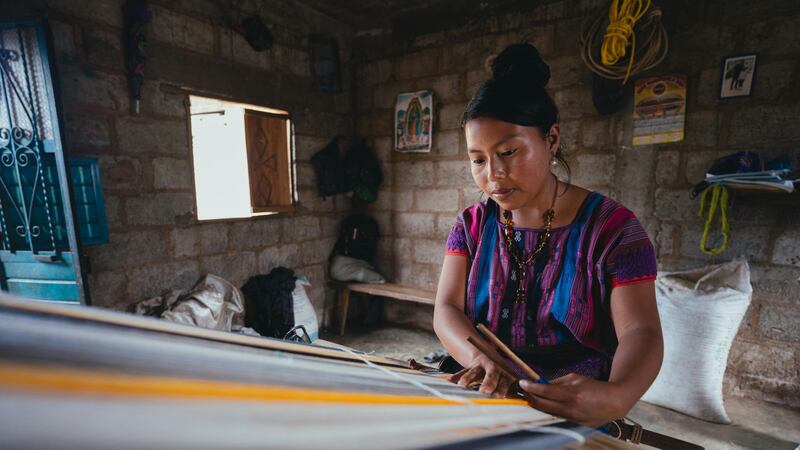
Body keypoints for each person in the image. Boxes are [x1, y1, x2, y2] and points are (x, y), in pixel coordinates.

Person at [433, 43, 663, 428]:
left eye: (507, 152)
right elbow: (446, 310)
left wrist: (618, 395)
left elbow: (640, 331)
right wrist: (479, 358)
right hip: (486, 392)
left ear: (551, 139)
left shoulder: (613, 229)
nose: (492, 175)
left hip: (570, 403)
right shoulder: (471, 225)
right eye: (477, 160)